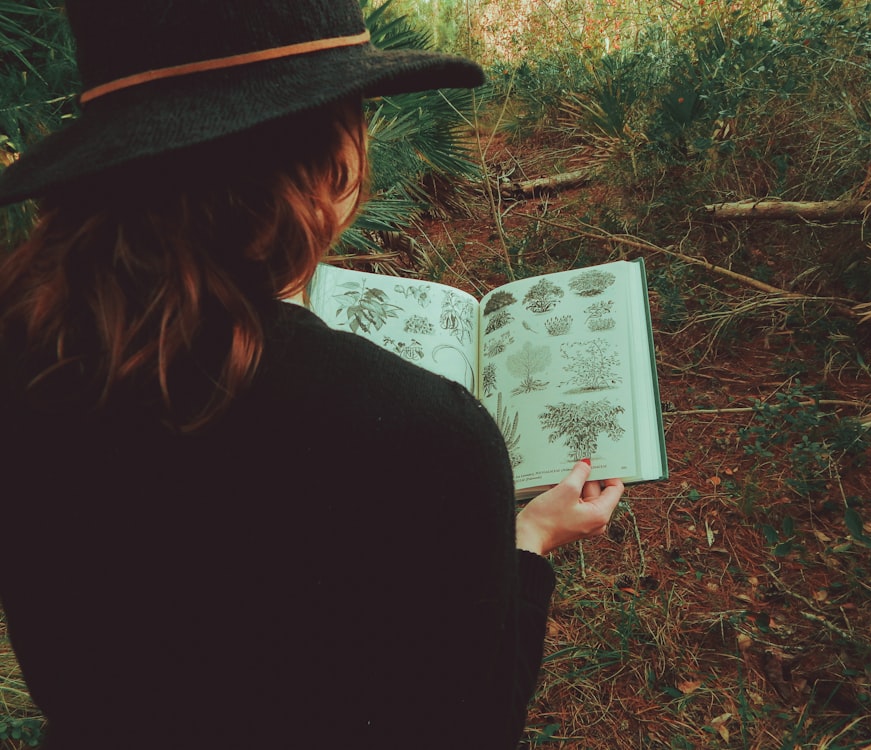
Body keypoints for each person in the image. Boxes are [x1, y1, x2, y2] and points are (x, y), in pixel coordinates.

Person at [0, 1, 624, 749]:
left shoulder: (26, 359)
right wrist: (526, 540)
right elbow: (471, 723)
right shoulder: (427, 437)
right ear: (332, 156)